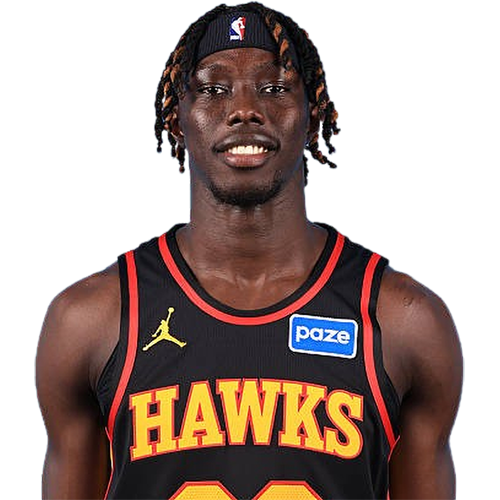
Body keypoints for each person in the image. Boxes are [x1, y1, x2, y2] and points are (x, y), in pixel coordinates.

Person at [35, 3, 463, 500]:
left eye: (274, 88)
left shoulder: (403, 320)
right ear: (177, 120)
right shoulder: (92, 319)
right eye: (213, 90)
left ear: (313, 116)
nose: (244, 109)